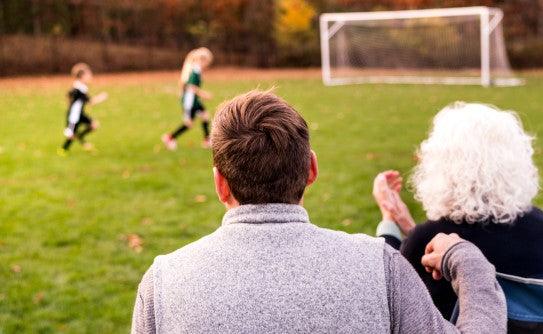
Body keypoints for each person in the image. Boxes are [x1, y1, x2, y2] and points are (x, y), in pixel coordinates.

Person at [131, 91, 506, 333]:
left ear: (219, 183)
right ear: (311, 169)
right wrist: (467, 261)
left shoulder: (163, 283)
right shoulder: (380, 266)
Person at [373, 102, 543, 319]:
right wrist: (408, 225)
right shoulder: (538, 225)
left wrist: (388, 217)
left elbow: (386, 288)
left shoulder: (426, 239)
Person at [161, 47, 214, 150]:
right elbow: (190, 86)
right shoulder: (195, 70)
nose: (207, 66)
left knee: (205, 116)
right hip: (190, 102)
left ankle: (207, 140)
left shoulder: (195, 69)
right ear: (202, 60)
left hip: (194, 100)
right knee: (189, 124)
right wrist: (203, 94)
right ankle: (169, 137)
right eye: (207, 63)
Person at [59, 63, 107, 155]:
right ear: (82, 76)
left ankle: (80, 137)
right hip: (73, 116)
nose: (90, 76)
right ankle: (62, 150)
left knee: (94, 125)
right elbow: (91, 102)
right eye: (88, 75)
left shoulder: (80, 87)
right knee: (70, 135)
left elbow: (68, 95)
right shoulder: (78, 89)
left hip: (80, 114)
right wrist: (102, 97)